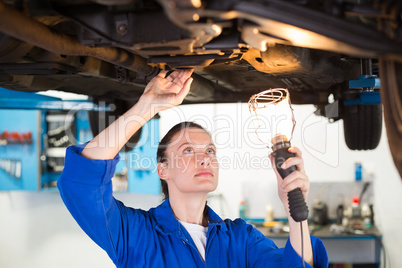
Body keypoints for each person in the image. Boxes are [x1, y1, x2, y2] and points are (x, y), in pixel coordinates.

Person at [58, 69, 328, 267]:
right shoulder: (137, 234)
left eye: (210, 151)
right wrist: (147, 106)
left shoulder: (240, 239)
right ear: (163, 170)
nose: (205, 158)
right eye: (188, 150)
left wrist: (295, 208)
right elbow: (81, 182)